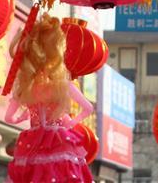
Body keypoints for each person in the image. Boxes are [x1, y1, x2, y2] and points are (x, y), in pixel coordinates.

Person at [6, 13, 95, 182]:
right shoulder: (62, 85)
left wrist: (22, 117)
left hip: (32, 143)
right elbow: (88, 108)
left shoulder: (25, 88)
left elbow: (8, 118)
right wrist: (70, 122)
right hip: (59, 139)